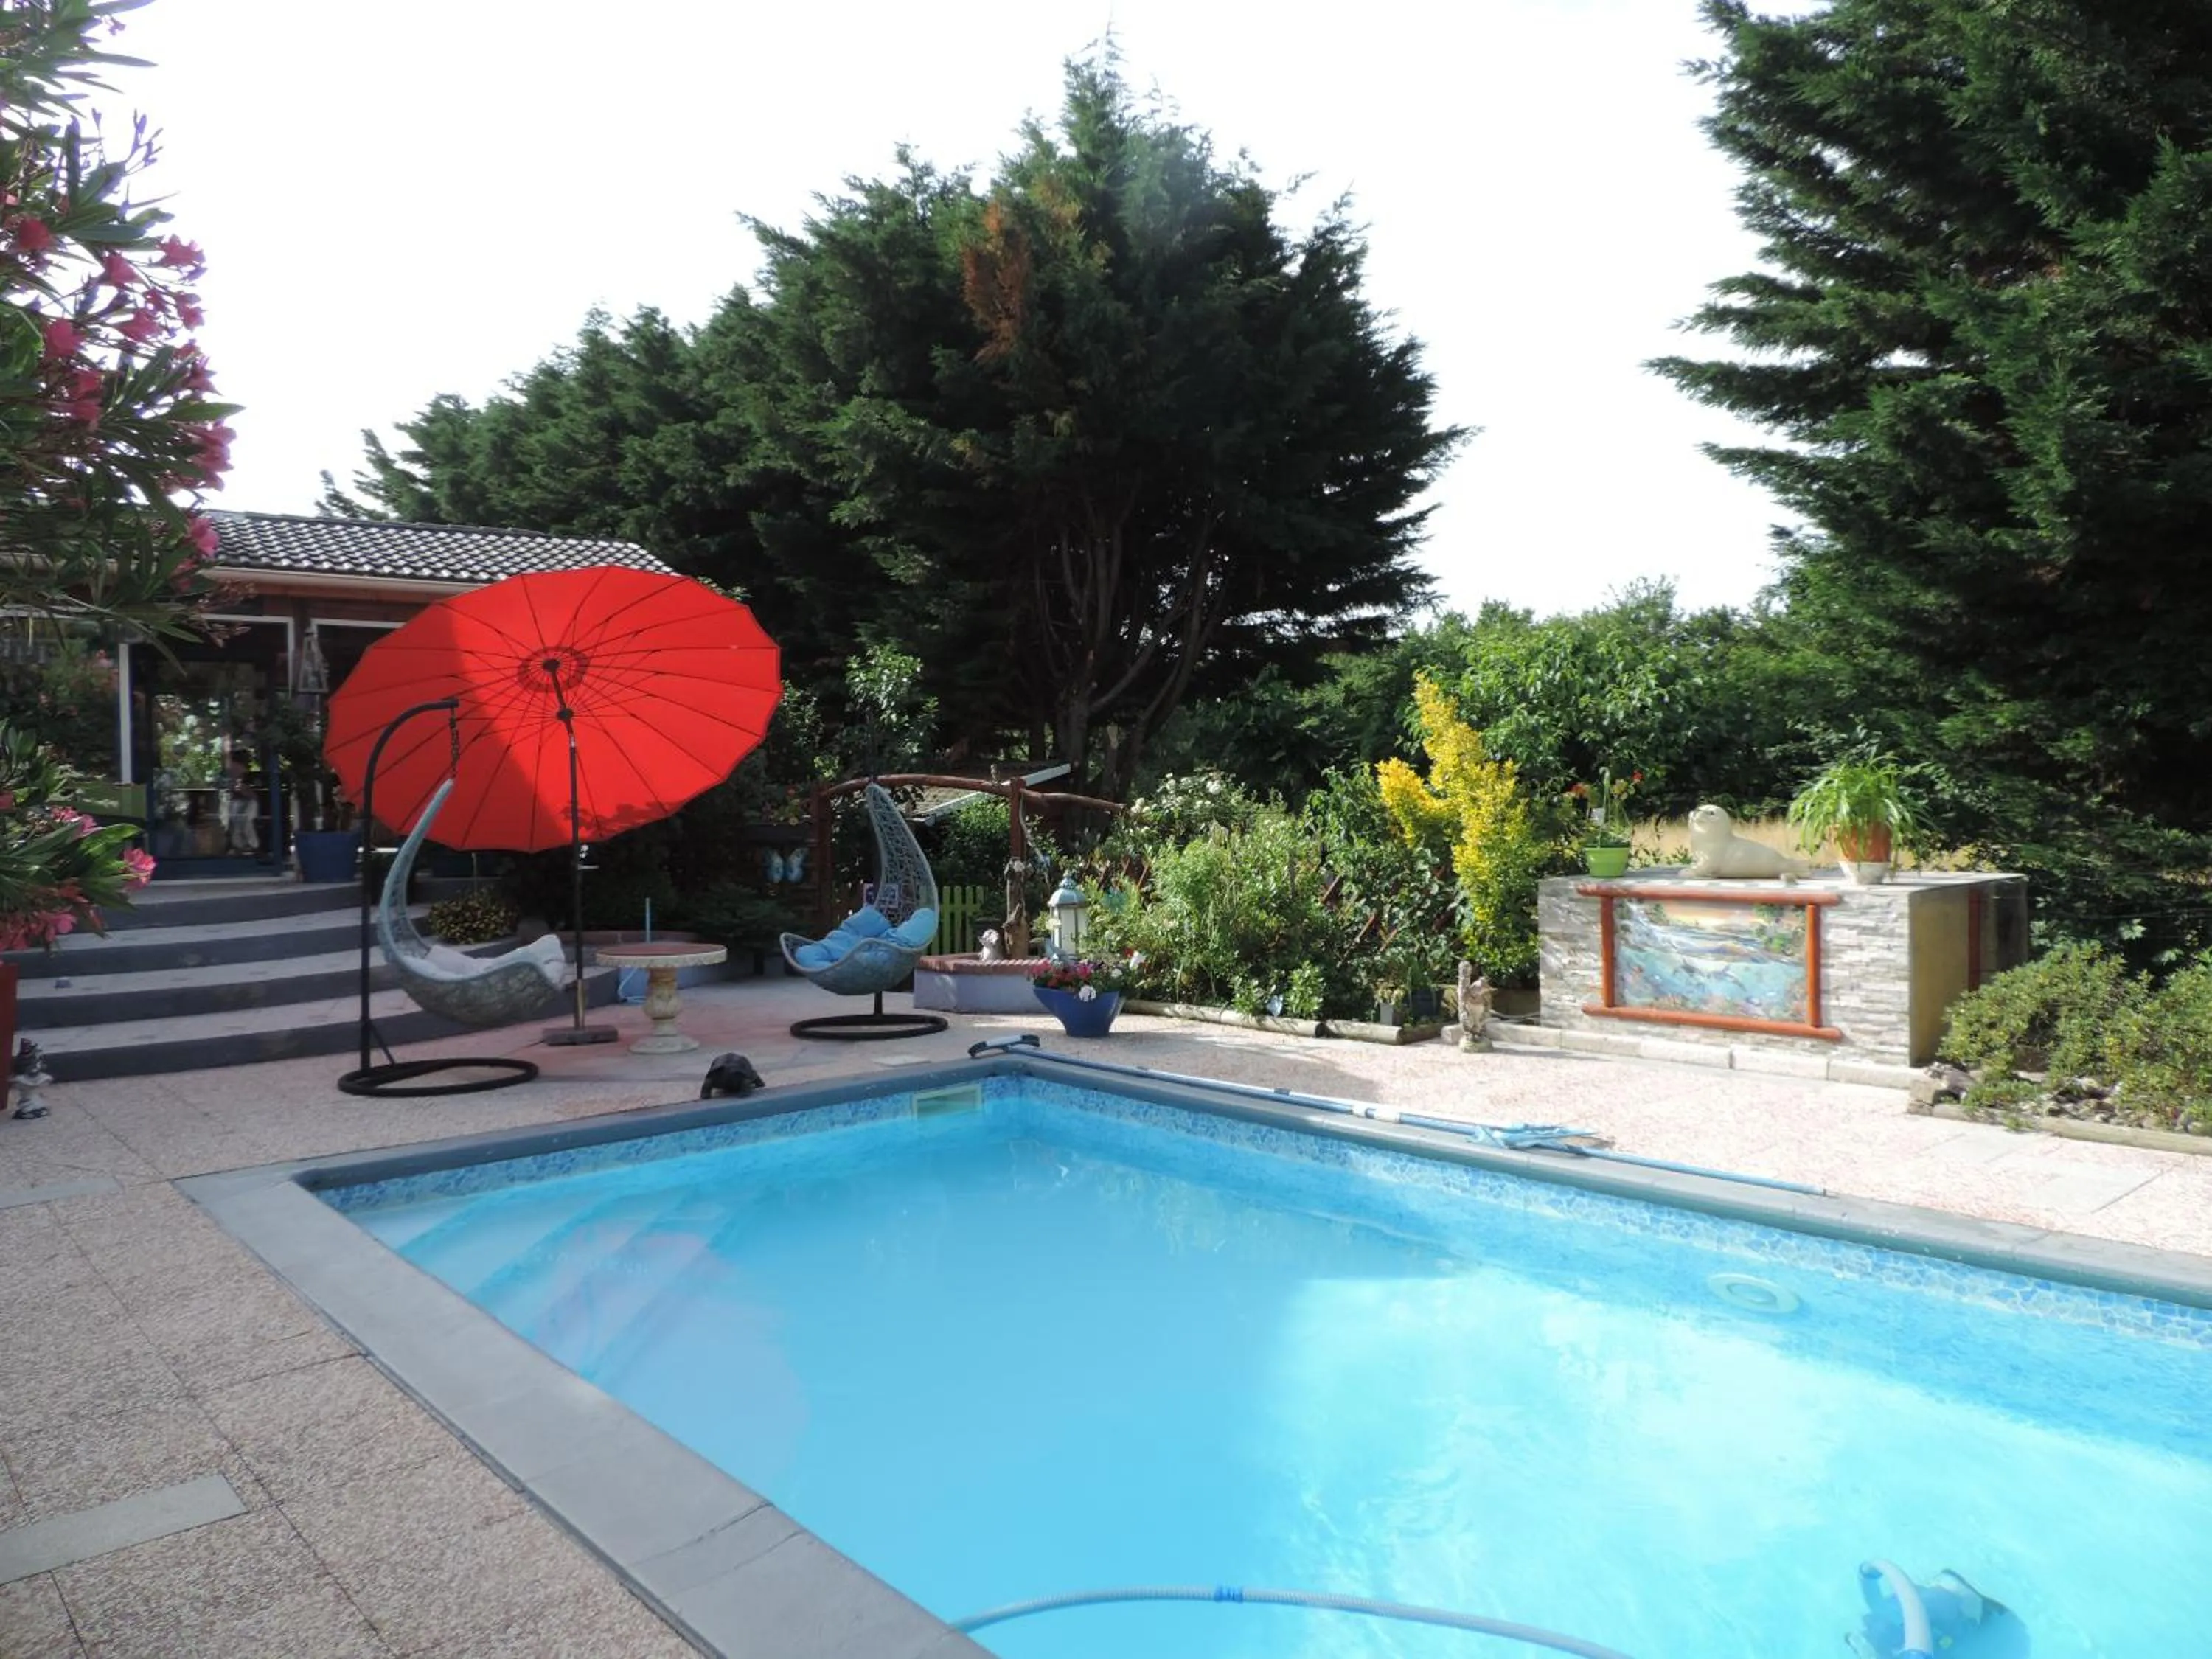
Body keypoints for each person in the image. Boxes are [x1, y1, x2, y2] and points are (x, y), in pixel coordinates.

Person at [223, 748, 260, 855]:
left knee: (237, 824)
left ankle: (239, 846)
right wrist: (254, 796)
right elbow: (240, 787)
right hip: (241, 800)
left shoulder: (230, 768)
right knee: (246, 823)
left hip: (235, 800)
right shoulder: (240, 769)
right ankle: (252, 846)